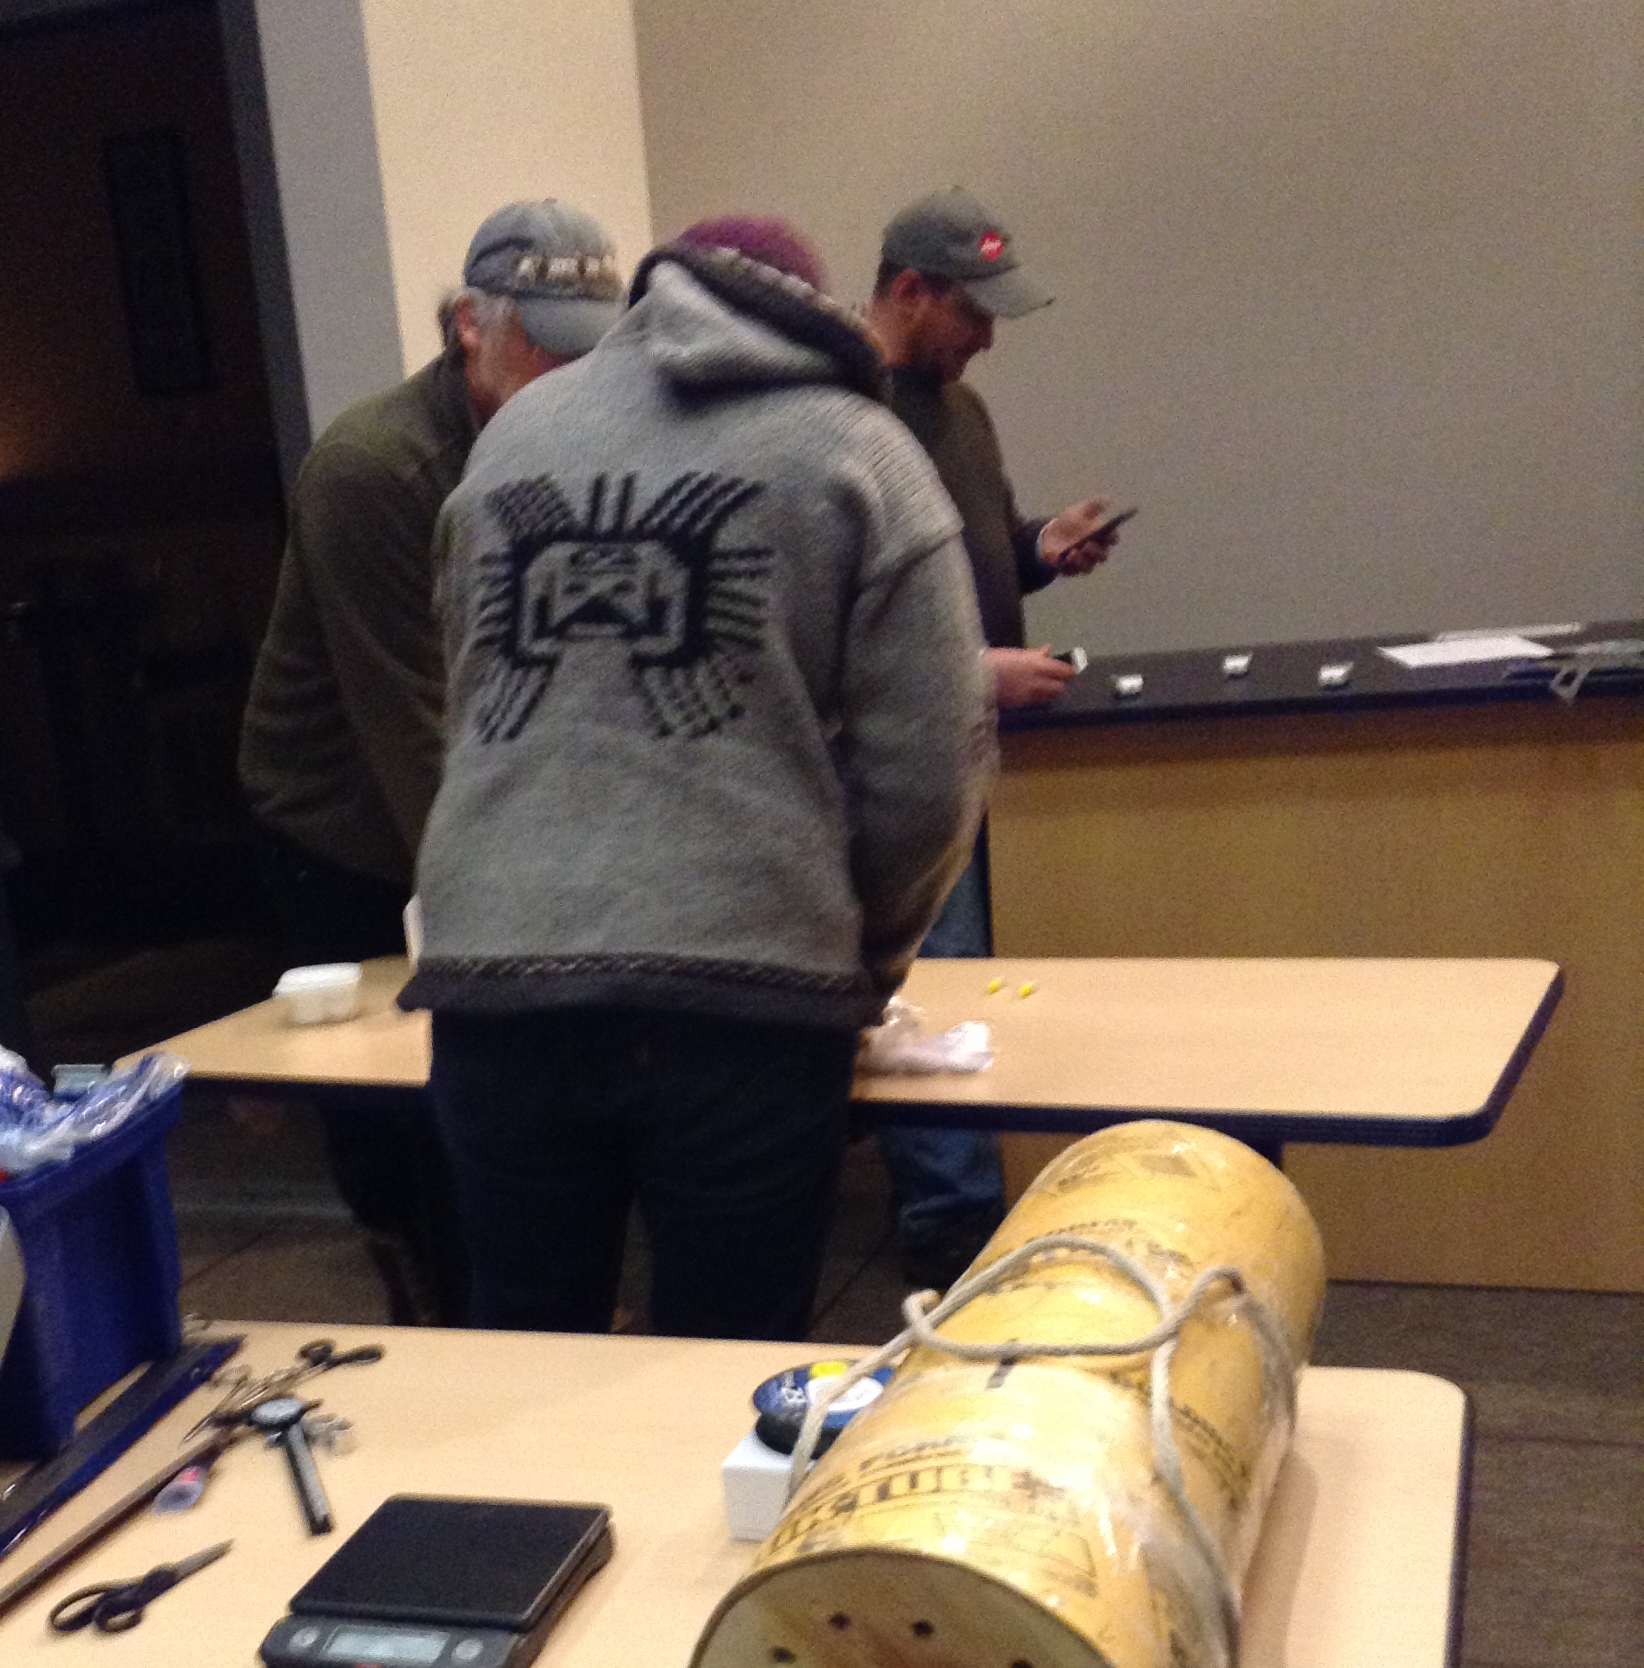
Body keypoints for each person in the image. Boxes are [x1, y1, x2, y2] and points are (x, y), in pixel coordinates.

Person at [401, 216, 992, 1342]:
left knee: (522, 1354)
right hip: (744, 997)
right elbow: (933, 764)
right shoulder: (859, 449)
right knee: (728, 1362)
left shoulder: (512, 437)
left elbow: (470, 699)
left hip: (494, 980)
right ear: (816, 311)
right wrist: (861, 960)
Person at [236, 200, 624, 1321]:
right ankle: (443, 1327)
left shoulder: (561, 443)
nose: (571, 377)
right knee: (409, 1121)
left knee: (511, 1111)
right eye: (545, 346)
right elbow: (412, 727)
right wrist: (521, 914)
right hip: (342, 824)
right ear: (468, 326)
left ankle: (528, 1317)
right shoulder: (373, 470)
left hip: (466, 781)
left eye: (591, 349)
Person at [863, 186, 1123, 1288]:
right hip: (891, 758)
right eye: (973, 312)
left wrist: (1036, 548)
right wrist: (976, 672)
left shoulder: (959, 414)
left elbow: (960, 561)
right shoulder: (842, 417)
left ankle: (955, 1207)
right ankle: (950, 1226)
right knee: (937, 979)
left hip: (964, 742)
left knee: (962, 978)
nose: (987, 338)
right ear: (910, 291)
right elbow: (842, 623)